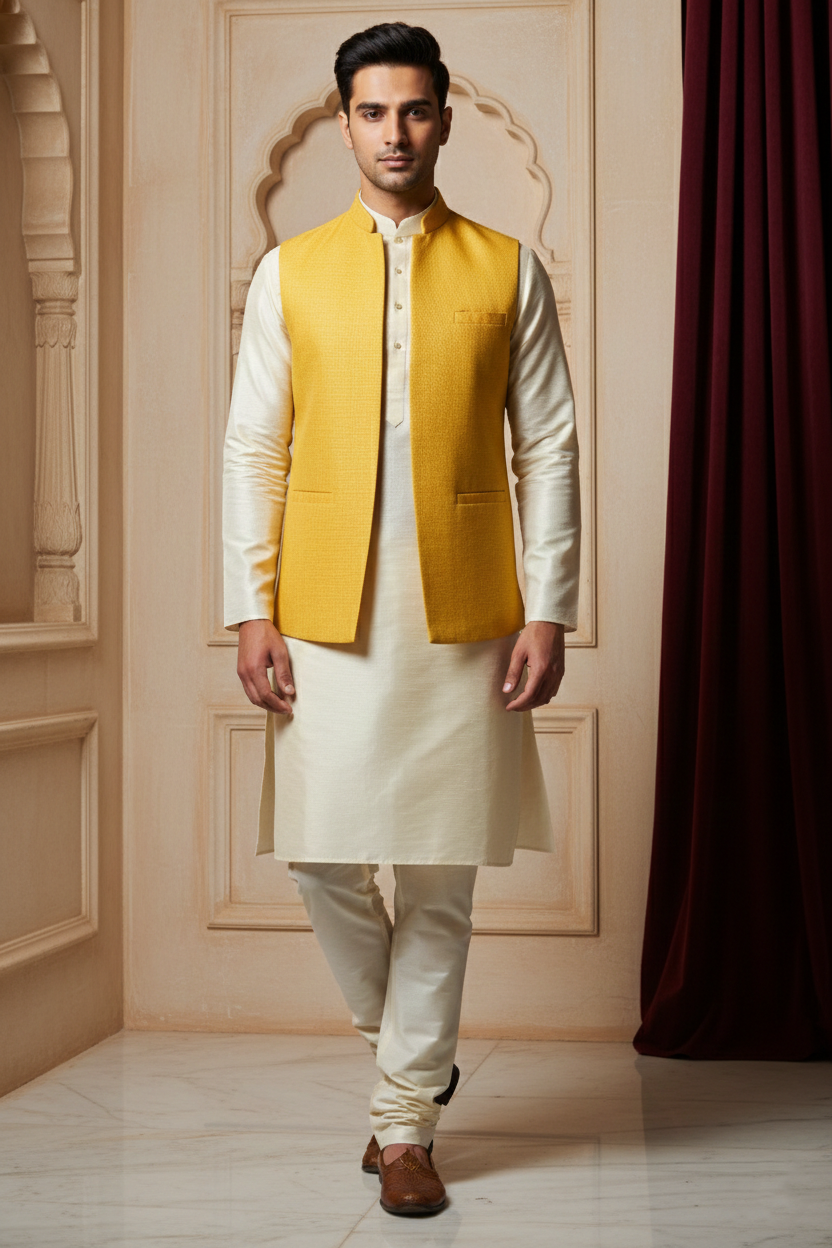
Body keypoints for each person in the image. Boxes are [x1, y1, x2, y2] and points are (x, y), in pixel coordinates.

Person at [222, 20, 580, 1217]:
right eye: (372, 112)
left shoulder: (507, 269)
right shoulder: (288, 272)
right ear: (343, 125)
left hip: (467, 616)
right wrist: (248, 607)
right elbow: (253, 448)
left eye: (414, 110)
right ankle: (410, 1062)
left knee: (438, 876)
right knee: (320, 853)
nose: (394, 132)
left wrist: (550, 608)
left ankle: (403, 1125)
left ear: (443, 121)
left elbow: (548, 447)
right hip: (322, 616)